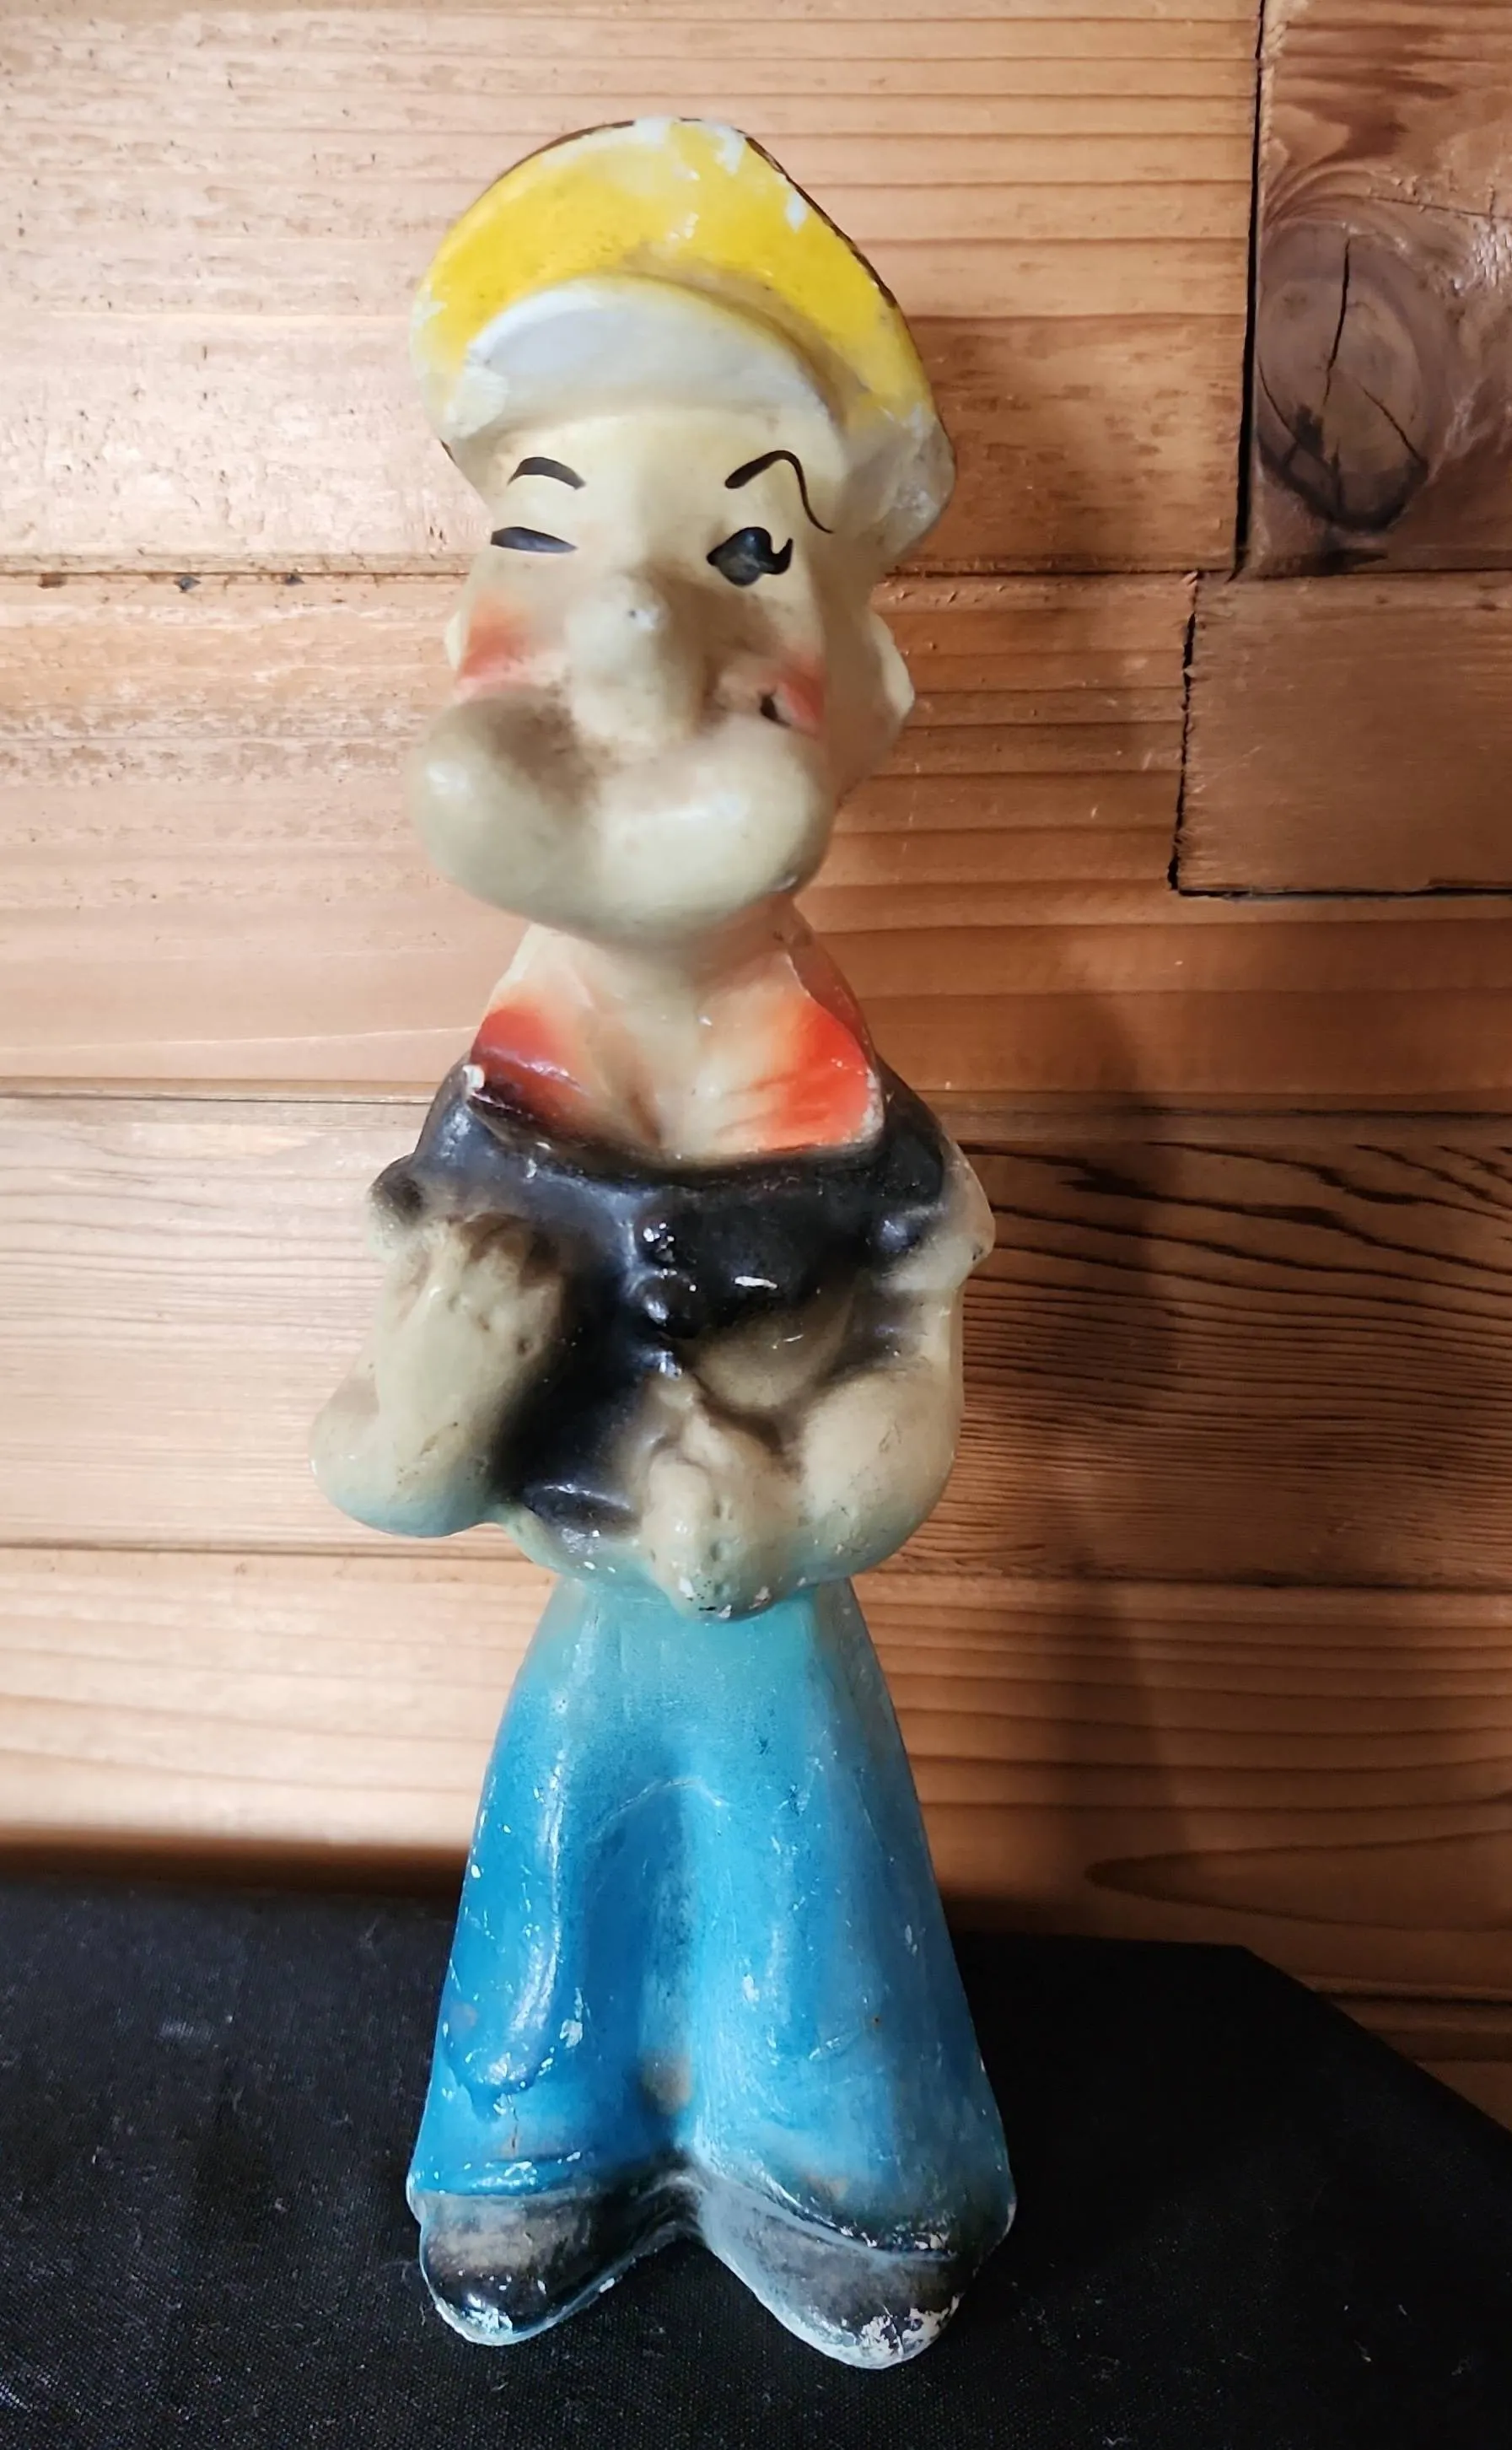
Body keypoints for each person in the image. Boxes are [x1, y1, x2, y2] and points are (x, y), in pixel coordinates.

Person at [312, 117, 1013, 2367]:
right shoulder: (494, 1118)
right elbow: (381, 1461)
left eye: (744, 549)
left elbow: (910, 1384)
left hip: (769, 1627)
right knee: (553, 1885)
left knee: (813, 1906)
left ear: (870, 695)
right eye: (549, 532)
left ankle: (835, 2171)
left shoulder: (849, 1119)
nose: (630, 622)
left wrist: (801, 1508)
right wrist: (425, 1422)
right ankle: (540, 2157)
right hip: (595, 1631)